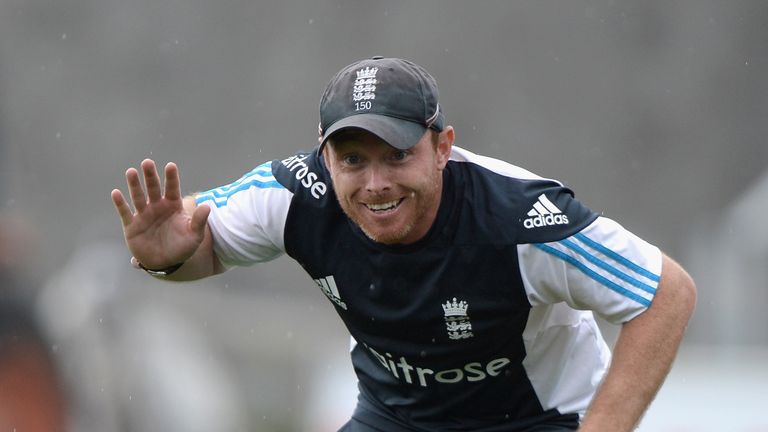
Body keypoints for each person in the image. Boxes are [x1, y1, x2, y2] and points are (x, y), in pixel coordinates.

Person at [111, 56, 696, 431]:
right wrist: (163, 260)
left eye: (398, 155)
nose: (376, 184)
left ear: (442, 146)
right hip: (395, 418)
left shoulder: (521, 220)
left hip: (534, 420)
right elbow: (204, 251)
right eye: (353, 160)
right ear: (324, 156)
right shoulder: (292, 193)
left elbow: (666, 291)